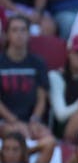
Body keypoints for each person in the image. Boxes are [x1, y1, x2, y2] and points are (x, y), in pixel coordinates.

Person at [0, 16, 56, 151]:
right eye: (14, 30)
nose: (19, 34)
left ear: (29, 34)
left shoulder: (38, 63)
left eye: (23, 30)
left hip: (31, 120)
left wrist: (35, 119)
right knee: (19, 135)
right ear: (7, 35)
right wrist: (13, 120)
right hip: (5, 121)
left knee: (50, 140)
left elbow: (41, 98)